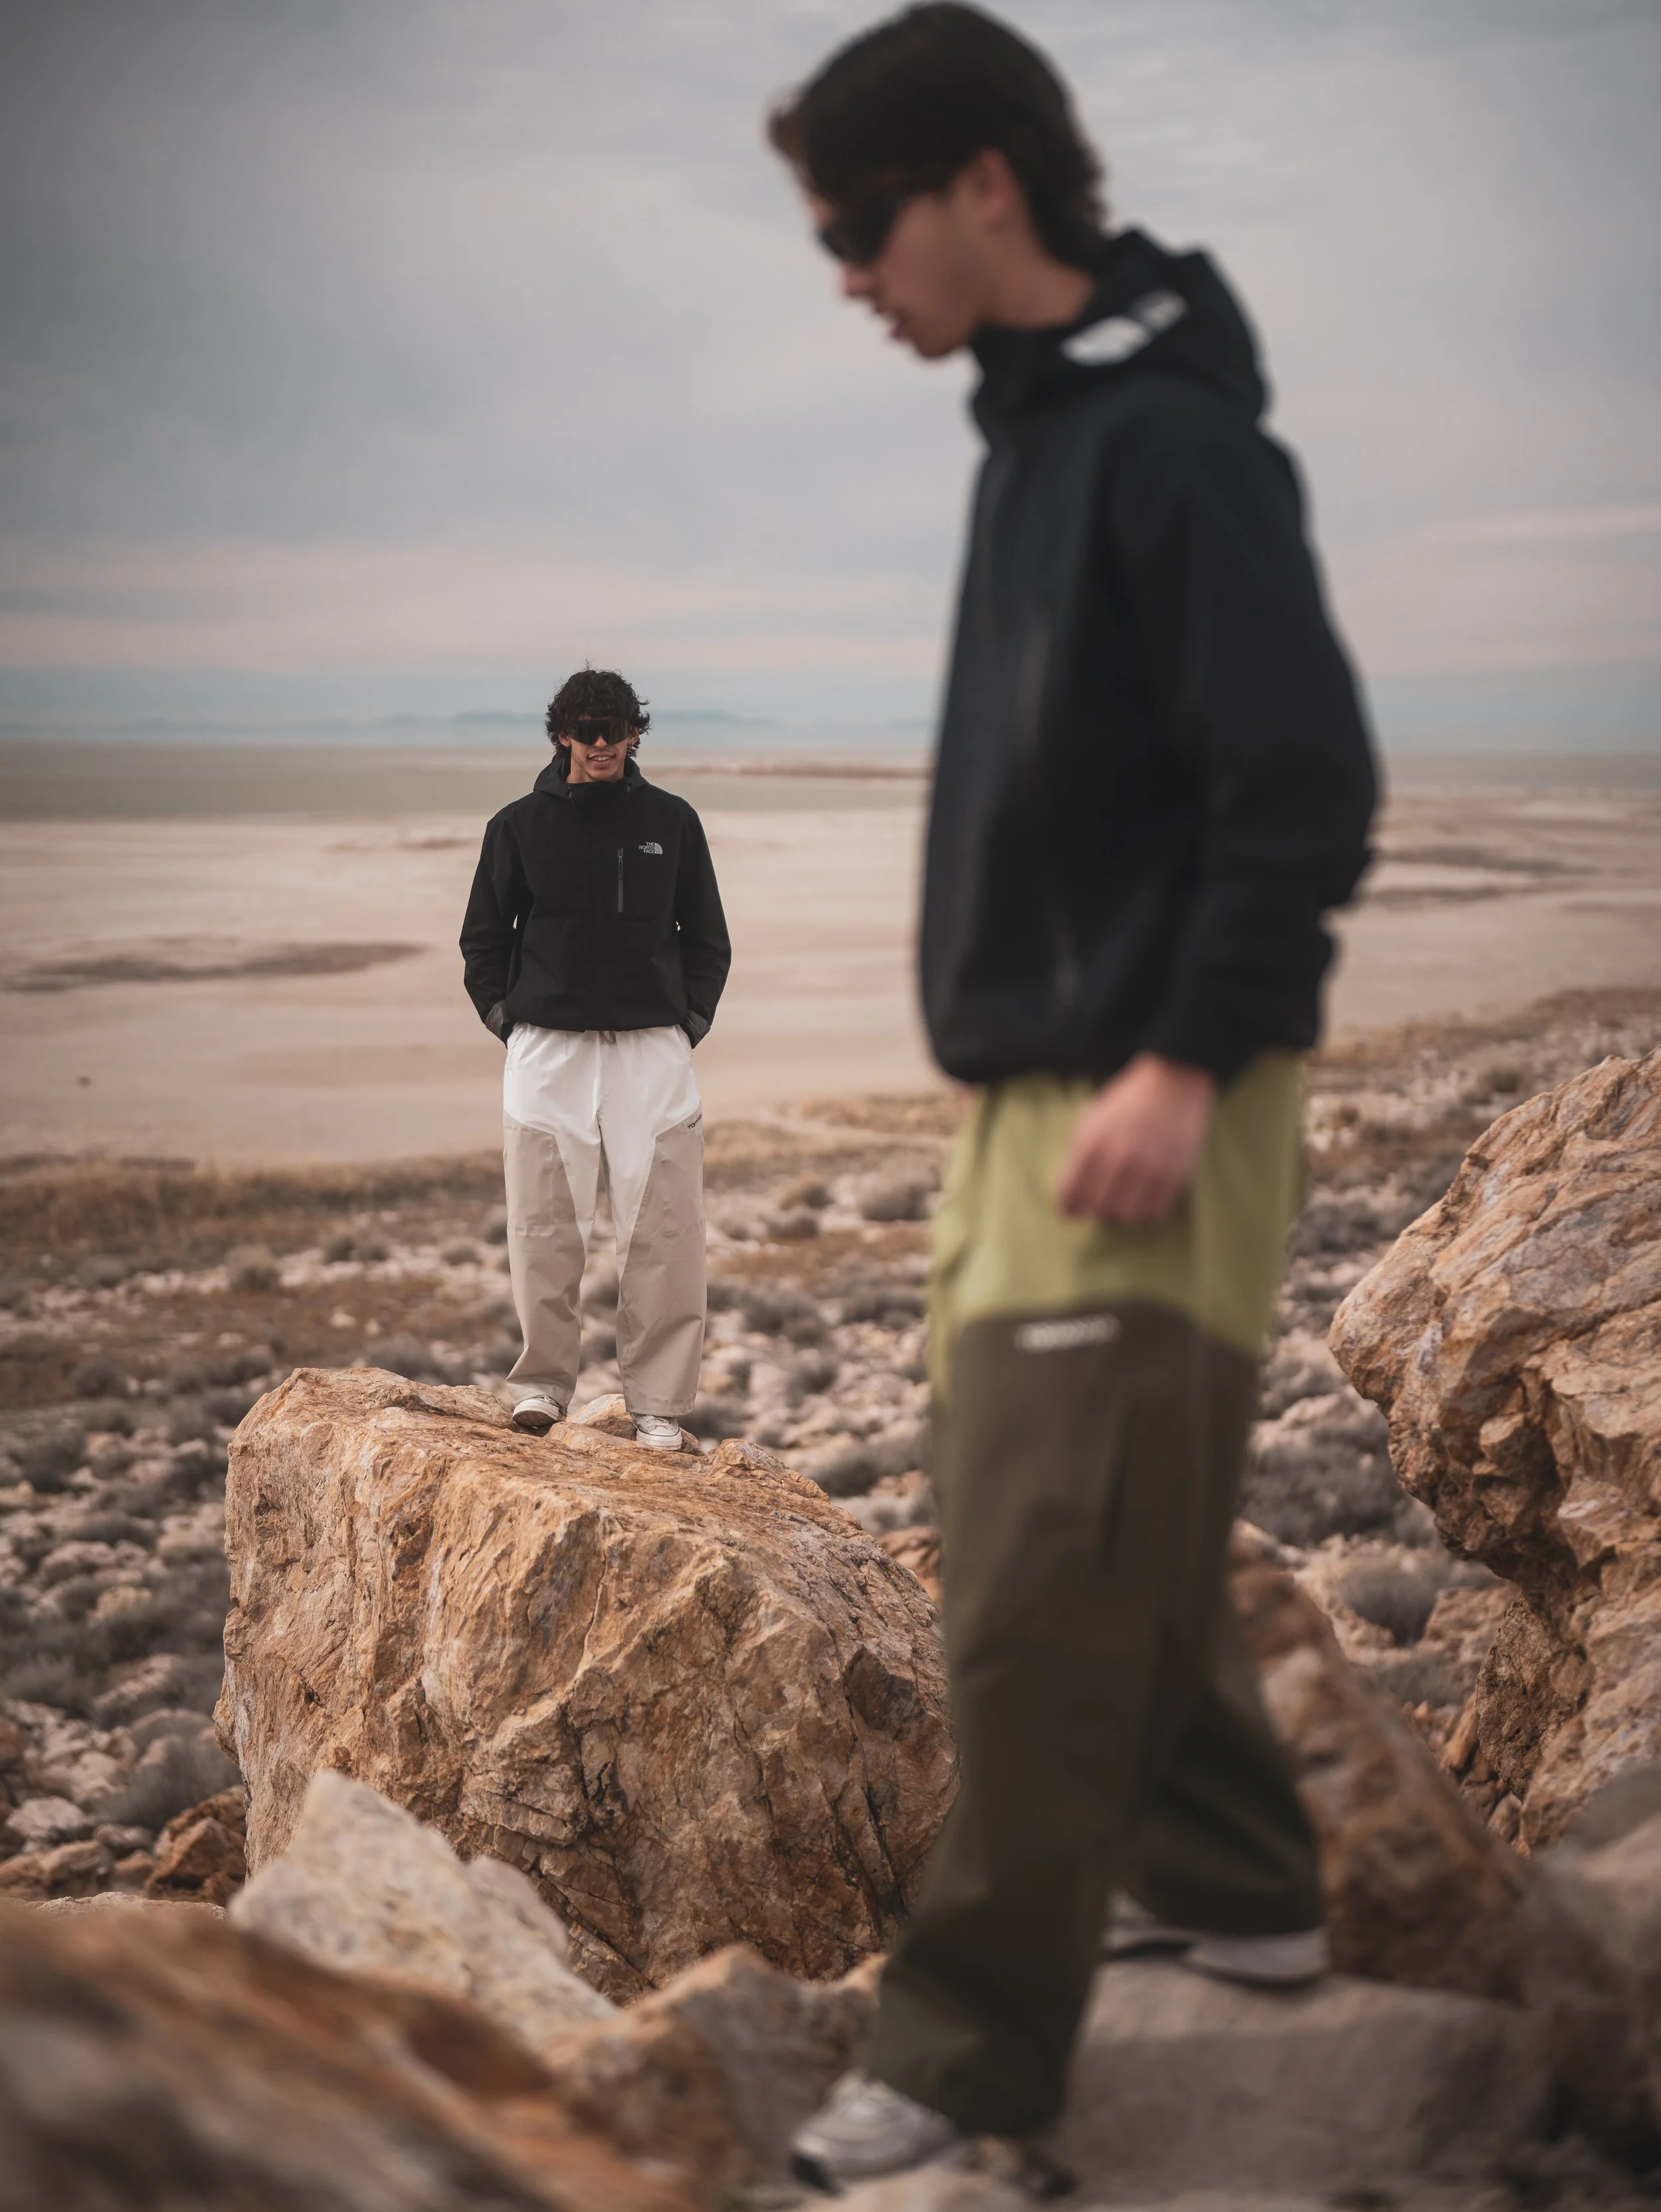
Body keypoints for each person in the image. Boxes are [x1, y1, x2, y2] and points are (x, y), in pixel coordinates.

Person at [767, 4, 1378, 2190]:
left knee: (1037, 1575)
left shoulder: (1171, 445)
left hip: (1154, 1090)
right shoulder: (1040, 437)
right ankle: (1235, 1882)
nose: (843, 270)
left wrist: (1186, 1057)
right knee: (1073, 1506)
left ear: (980, 189)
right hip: (1042, 1099)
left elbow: (1301, 788)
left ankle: (956, 2065)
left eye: (856, 220)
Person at [460, 668, 731, 1450]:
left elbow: (706, 936)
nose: (602, 742)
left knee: (666, 1228)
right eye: (587, 728)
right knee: (545, 1223)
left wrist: (689, 1025)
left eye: (615, 727)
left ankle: (657, 1408)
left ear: (636, 732)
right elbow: (483, 939)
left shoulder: (672, 822)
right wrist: (505, 1018)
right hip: (548, 1052)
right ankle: (541, 1386)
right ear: (562, 735)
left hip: (652, 1051)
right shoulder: (517, 827)